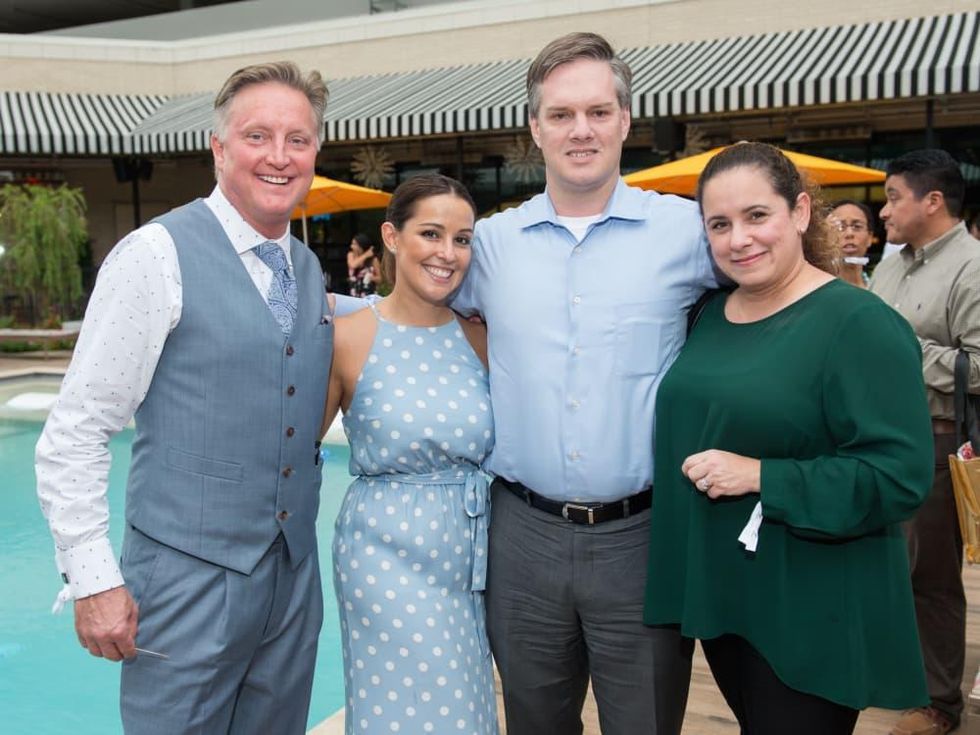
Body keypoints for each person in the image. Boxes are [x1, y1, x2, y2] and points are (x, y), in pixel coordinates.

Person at [35, 61, 348, 734]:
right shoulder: (154, 255)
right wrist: (94, 579)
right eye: (257, 135)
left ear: (315, 152)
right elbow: (76, 430)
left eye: (297, 139)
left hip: (291, 580)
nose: (279, 155)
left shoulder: (306, 265)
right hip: (185, 579)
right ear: (219, 147)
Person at [452, 32, 718, 735]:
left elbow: (773, 295)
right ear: (534, 127)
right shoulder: (490, 244)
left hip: (644, 534)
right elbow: (411, 313)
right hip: (522, 536)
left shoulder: (688, 232)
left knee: (646, 722)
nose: (582, 130)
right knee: (536, 723)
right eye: (562, 114)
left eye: (599, 112)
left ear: (626, 120)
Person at [644, 141, 934, 734]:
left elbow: (898, 475)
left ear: (800, 212)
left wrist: (762, 475)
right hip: (729, 600)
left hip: (813, 604)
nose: (738, 239)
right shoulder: (708, 317)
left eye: (757, 216)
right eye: (719, 224)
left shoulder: (858, 323)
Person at [325, 174, 497, 734]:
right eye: (431, 233)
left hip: (473, 549)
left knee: (467, 707)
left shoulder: (481, 339)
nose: (448, 253)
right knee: (394, 711)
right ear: (392, 237)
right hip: (382, 551)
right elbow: (294, 452)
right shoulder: (347, 337)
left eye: (463, 239)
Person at [869, 149, 980, 735]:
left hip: (935, 442)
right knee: (889, 568)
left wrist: (898, 352)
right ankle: (901, 680)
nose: (884, 211)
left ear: (932, 201)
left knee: (931, 580)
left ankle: (939, 704)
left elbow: (979, 365)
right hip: (876, 439)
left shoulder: (971, 266)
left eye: (893, 197)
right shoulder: (892, 264)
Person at [828, 198, 875, 288]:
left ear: (869, 237)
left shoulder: (880, 285)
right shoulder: (816, 289)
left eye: (857, 226)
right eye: (840, 227)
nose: (849, 234)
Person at [347, 232, 379, 296]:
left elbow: (380, 278)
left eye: (354, 244)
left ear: (361, 246)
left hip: (368, 293)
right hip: (354, 293)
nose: (351, 246)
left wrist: (371, 278)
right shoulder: (351, 255)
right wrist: (366, 254)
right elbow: (353, 265)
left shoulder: (373, 260)